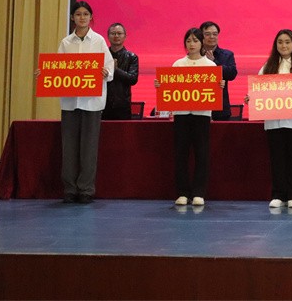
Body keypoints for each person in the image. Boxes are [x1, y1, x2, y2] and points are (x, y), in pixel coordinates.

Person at [47, 1, 114, 204]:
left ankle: (86, 189)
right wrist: (47, 73)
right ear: (72, 18)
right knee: (69, 147)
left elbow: (109, 67)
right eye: (78, 14)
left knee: (89, 148)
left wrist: (106, 72)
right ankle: (69, 189)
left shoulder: (99, 40)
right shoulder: (66, 42)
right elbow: (58, 68)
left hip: (92, 102)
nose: (82, 17)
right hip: (70, 102)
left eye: (86, 14)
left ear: (91, 17)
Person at [155, 27, 225, 207]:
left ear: (201, 43)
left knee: (202, 154)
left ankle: (199, 193)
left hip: (202, 115)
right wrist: (161, 85)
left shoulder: (210, 66)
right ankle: (182, 192)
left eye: (195, 40)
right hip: (182, 115)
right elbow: (169, 88)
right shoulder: (178, 64)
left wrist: (219, 86)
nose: (191, 44)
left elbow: (214, 91)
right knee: (181, 154)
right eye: (188, 41)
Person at [259, 29, 292, 209]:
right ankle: (278, 195)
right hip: (274, 122)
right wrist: (252, 97)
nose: (284, 45)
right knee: (277, 159)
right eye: (280, 42)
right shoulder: (268, 66)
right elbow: (258, 90)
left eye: (287, 42)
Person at [200, 21, 238, 121]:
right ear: (201, 36)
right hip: (198, 106)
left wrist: (214, 63)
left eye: (215, 34)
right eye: (207, 34)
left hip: (220, 108)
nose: (212, 37)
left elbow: (232, 74)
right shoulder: (194, 55)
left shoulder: (227, 55)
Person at [101, 22, 139, 120]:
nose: (116, 36)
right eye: (113, 33)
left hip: (123, 105)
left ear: (125, 36)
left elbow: (133, 79)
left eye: (119, 33)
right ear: (108, 36)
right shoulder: (102, 56)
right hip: (103, 104)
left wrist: (115, 70)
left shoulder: (132, 57)